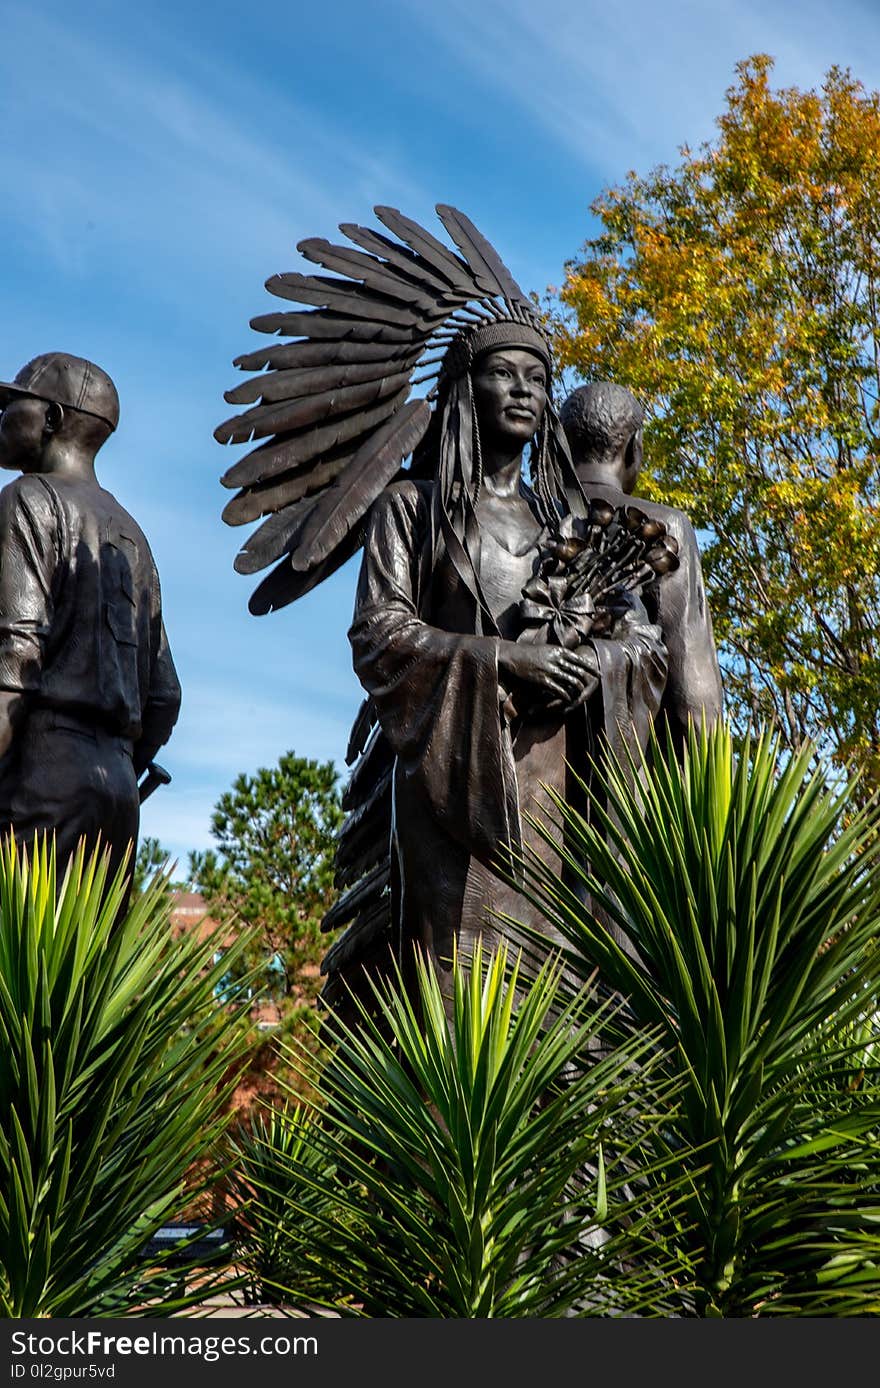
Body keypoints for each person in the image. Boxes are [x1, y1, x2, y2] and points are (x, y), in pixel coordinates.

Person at [347, 325, 668, 993]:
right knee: (451, 985)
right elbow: (380, 635)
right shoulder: (413, 508)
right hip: (451, 776)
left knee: (543, 987)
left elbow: (639, 640)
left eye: (539, 378)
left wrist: (596, 665)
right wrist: (504, 661)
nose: (525, 388)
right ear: (467, 388)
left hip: (549, 783)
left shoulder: (568, 526)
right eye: (505, 373)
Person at [0, 351, 181, 897]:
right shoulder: (133, 536)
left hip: (38, 782)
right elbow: (165, 696)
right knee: (87, 976)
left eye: (13, 405)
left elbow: (14, 664)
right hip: (119, 796)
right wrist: (113, 760)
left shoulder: (28, 501)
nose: (3, 416)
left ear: (52, 419)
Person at [560, 381, 723, 754]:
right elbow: (694, 696)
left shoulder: (535, 517)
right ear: (634, 448)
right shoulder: (664, 525)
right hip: (625, 782)